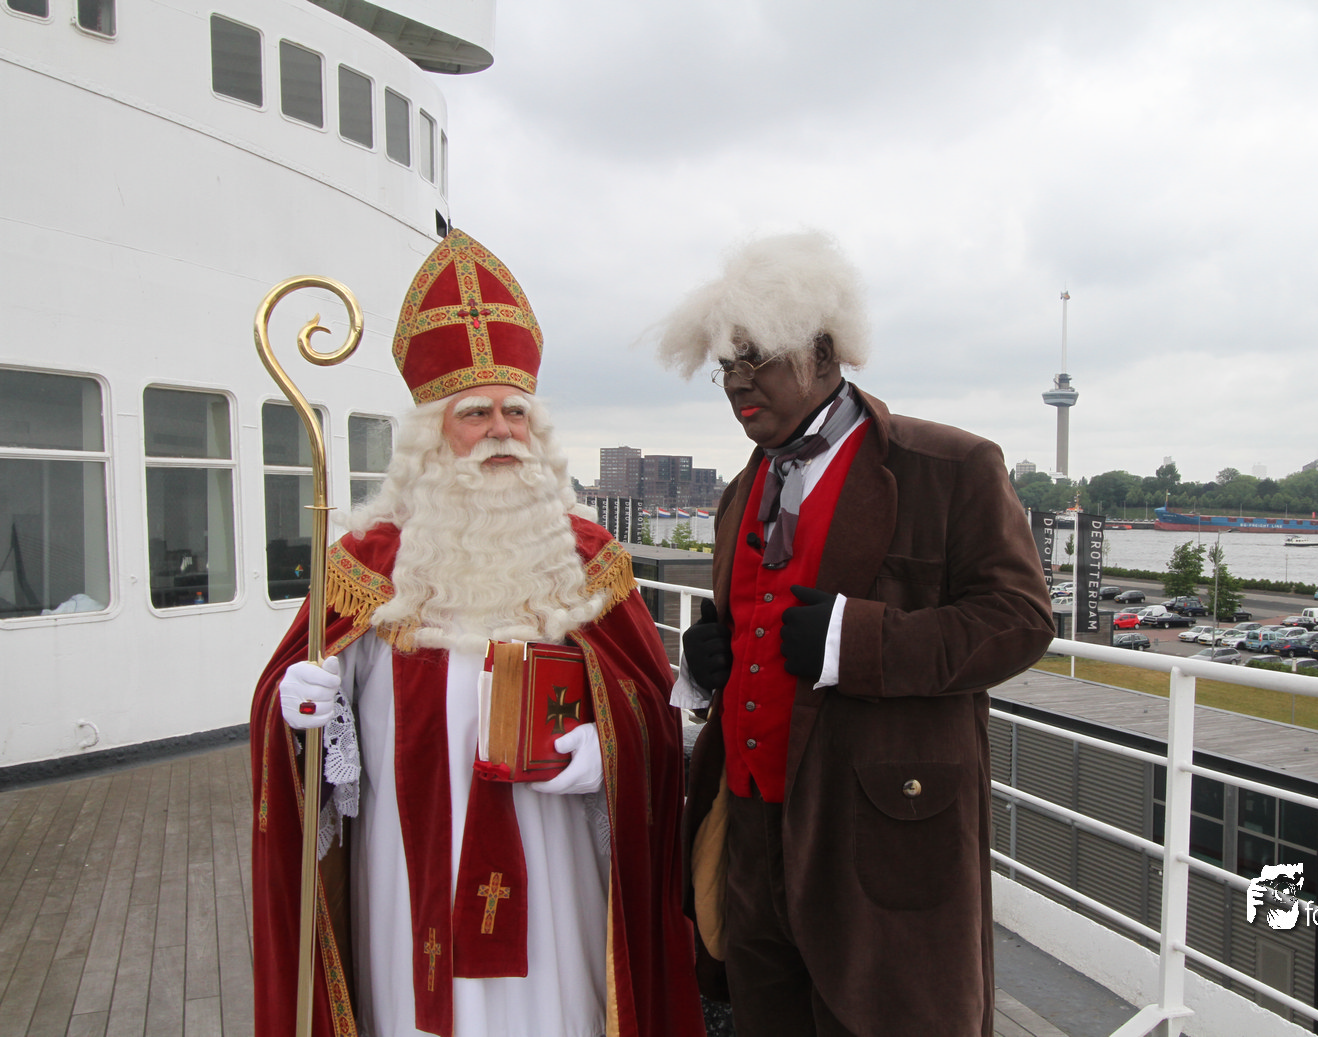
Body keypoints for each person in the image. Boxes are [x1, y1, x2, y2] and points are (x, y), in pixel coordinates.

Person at [250, 230, 704, 1037]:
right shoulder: (366, 563)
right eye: (475, 413)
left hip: (555, 854)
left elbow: (651, 706)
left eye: (514, 411)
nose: (501, 430)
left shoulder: (589, 559)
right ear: (433, 432)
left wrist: (610, 747)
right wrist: (299, 707)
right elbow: (305, 724)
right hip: (408, 854)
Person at [658, 232, 1055, 1037]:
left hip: (879, 837)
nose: (737, 382)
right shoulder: (741, 490)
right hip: (751, 834)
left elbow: (1019, 620)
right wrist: (705, 664)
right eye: (725, 365)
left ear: (822, 350)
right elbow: (751, 632)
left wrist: (854, 642)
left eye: (755, 358)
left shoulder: (947, 466)